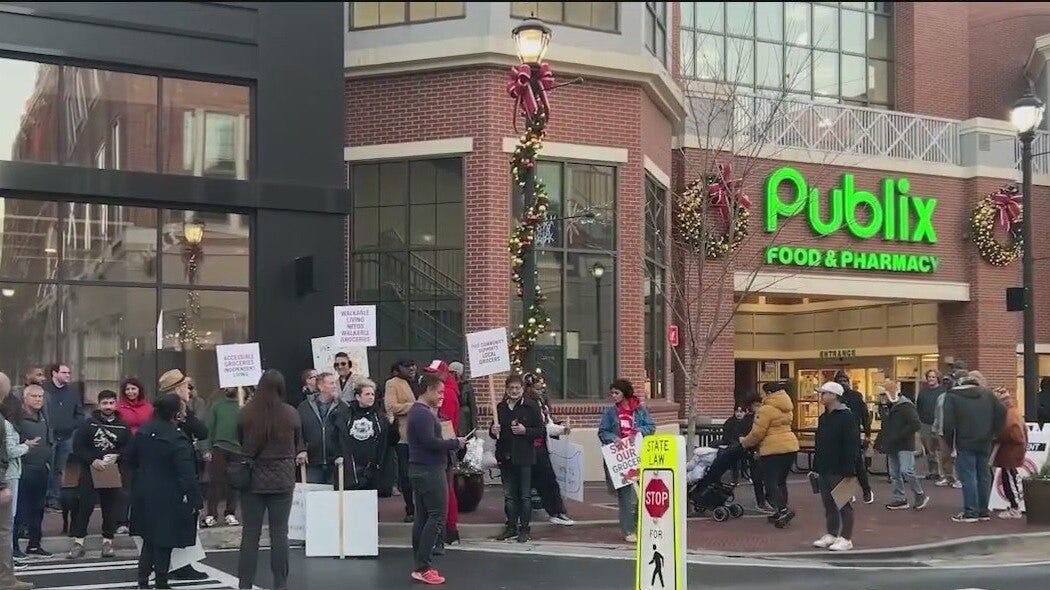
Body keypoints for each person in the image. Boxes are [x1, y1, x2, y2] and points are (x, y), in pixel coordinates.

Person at [237, 370, 306, 590]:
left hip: (253, 479)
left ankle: (245, 584)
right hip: (282, 477)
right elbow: (297, 443)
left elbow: (241, 442)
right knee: (279, 534)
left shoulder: (246, 412)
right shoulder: (290, 413)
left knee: (250, 534)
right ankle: (280, 583)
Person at [127, 394, 202, 590]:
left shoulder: (143, 431)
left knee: (149, 539)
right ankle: (161, 582)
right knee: (164, 540)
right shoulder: (176, 437)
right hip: (169, 494)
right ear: (175, 412)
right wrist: (195, 499)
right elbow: (187, 473)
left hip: (143, 491)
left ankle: (143, 582)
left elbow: (128, 459)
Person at [407, 373, 465, 585]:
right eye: (439, 392)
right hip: (429, 470)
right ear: (428, 390)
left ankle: (420, 564)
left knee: (422, 517)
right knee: (437, 516)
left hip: (420, 469)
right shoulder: (422, 414)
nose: (442, 396)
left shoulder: (419, 412)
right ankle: (423, 566)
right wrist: (454, 442)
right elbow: (430, 442)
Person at [156, 369, 210, 581]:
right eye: (186, 386)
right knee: (182, 519)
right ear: (177, 389)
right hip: (177, 471)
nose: (189, 390)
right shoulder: (176, 413)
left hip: (174, 470)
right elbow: (201, 430)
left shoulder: (176, 410)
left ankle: (179, 563)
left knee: (181, 520)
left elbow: (202, 432)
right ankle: (180, 565)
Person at [67, 389, 131, 559]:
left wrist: (117, 456)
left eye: (111, 403)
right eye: (105, 403)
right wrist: (92, 460)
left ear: (116, 403)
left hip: (112, 471)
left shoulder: (123, 425)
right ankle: (78, 542)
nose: (108, 406)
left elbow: (129, 448)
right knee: (85, 506)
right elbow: (78, 447)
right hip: (91, 470)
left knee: (110, 508)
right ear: (99, 404)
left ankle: (108, 542)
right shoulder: (88, 424)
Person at [942, 370, 1006, 523]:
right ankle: (983, 511)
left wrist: (950, 444)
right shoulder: (988, 394)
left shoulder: (952, 396)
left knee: (968, 476)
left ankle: (970, 511)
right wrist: (995, 432)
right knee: (983, 475)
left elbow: (948, 425)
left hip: (964, 441)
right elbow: (1002, 411)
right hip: (985, 441)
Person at [598, 379, 656, 543]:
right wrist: (614, 438)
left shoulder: (639, 410)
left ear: (625, 393)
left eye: (616, 393)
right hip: (620, 458)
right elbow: (603, 432)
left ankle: (639, 526)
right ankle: (628, 530)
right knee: (627, 496)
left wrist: (639, 431)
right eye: (612, 393)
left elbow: (651, 427)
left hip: (638, 455)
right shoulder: (610, 412)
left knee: (640, 494)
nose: (613, 396)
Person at [491, 375, 546, 543]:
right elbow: (495, 433)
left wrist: (525, 431)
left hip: (524, 456)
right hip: (506, 456)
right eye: (511, 388)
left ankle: (525, 528)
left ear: (522, 389)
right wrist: (493, 430)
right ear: (506, 390)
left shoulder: (531, 407)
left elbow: (541, 431)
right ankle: (511, 526)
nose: (514, 391)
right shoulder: (500, 407)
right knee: (509, 495)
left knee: (524, 495)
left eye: (517, 388)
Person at [740, 381, 799, 528]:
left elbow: (757, 433)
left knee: (770, 481)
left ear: (769, 393)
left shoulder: (765, 409)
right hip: (790, 446)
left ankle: (783, 509)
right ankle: (781, 510)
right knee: (781, 481)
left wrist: (744, 442)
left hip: (773, 449)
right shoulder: (787, 407)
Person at [811, 381, 860, 552]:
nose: (821, 397)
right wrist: (816, 466)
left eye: (824, 393)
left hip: (841, 468)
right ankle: (831, 533)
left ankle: (846, 538)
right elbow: (820, 443)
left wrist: (850, 469)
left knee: (843, 504)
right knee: (828, 504)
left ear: (834, 396)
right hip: (825, 467)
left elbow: (851, 445)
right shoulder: (824, 418)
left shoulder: (847, 417)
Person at [523, 373, 574, 526]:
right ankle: (518, 514)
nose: (541, 392)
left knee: (549, 481)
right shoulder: (524, 403)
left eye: (542, 389)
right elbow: (540, 427)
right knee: (525, 484)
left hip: (542, 448)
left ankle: (556, 511)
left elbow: (547, 423)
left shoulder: (542, 403)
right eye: (537, 389)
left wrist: (560, 428)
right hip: (526, 449)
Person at [873, 383, 929, 511]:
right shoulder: (886, 407)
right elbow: (885, 426)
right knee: (894, 473)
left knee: (906, 470)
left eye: (883, 395)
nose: (882, 398)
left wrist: (899, 435)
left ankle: (919, 494)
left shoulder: (906, 405)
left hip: (904, 444)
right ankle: (900, 498)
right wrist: (878, 442)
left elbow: (915, 424)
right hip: (892, 444)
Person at [423, 360, 461, 547]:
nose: (430, 375)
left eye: (434, 372)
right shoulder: (445, 391)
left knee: (445, 490)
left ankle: (449, 528)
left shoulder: (445, 394)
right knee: (444, 489)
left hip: (443, 446)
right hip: (444, 444)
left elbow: (443, 423)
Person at [0, 374, 36, 564]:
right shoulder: (6, 425)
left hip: (7, 473)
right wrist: (27, 446)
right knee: (8, 519)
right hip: (9, 474)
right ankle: (8, 557)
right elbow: (9, 451)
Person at [14, 385, 52, 557]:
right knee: (20, 510)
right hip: (23, 469)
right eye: (34, 396)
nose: (38, 399)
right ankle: (14, 547)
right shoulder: (17, 419)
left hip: (41, 469)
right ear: (25, 398)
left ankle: (35, 545)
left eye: (40, 396)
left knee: (38, 509)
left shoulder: (44, 416)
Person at [330, 380, 387, 490]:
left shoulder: (379, 416)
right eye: (367, 394)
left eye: (372, 394)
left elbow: (386, 441)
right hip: (350, 465)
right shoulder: (345, 414)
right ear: (358, 397)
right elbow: (336, 437)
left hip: (371, 466)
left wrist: (393, 425)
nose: (371, 397)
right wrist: (338, 455)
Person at [44, 363, 84, 510]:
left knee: (59, 469)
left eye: (69, 373)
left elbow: (79, 413)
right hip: (49, 436)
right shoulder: (45, 390)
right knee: (47, 467)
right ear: (54, 373)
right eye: (64, 372)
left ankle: (54, 498)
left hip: (66, 436)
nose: (68, 375)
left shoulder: (73, 391)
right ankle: (44, 498)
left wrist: (72, 425)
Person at [202, 388, 242, 528]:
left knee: (234, 483)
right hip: (219, 447)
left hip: (238, 449)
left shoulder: (244, 406)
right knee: (215, 482)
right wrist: (207, 448)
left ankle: (230, 513)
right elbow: (209, 428)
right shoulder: (217, 406)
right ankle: (211, 514)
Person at [833, 371, 874, 504]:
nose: (843, 383)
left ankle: (866, 490)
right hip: (839, 436)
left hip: (852, 435)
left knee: (857, 465)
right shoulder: (834, 397)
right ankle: (848, 493)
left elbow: (865, 415)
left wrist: (867, 434)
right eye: (840, 380)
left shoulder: (856, 396)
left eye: (845, 380)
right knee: (842, 466)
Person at [385, 359, 417, 523]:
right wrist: (414, 406)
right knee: (406, 473)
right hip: (404, 434)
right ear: (398, 369)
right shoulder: (393, 383)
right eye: (407, 366)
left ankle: (420, 506)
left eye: (413, 365)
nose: (411, 368)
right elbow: (390, 406)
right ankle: (410, 507)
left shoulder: (419, 382)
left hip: (421, 434)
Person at [297, 372, 343, 485]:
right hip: (312, 461)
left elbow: (345, 433)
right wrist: (301, 449)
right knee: (312, 497)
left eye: (335, 383)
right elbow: (298, 431)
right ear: (321, 387)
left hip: (336, 462)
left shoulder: (343, 407)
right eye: (331, 383)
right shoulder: (304, 407)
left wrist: (341, 453)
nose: (335, 386)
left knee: (335, 500)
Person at [992, 388, 1027, 519]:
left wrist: (998, 437)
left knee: (1010, 478)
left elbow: (1015, 433)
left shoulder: (1009, 414)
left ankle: (1015, 508)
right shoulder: (1013, 411)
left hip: (1010, 451)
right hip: (1012, 450)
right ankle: (1014, 506)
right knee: (1010, 477)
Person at [915, 370, 945, 480]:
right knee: (929, 449)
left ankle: (943, 473)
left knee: (940, 449)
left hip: (939, 425)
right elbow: (918, 407)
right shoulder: (923, 392)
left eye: (933, 377)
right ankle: (933, 471)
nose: (931, 379)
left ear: (938, 378)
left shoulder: (943, 392)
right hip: (925, 424)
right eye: (929, 377)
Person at [932, 379, 961, 489]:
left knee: (956, 456)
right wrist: (935, 427)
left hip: (955, 431)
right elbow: (936, 413)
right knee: (944, 455)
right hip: (942, 430)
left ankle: (958, 478)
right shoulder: (941, 397)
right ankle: (947, 476)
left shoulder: (958, 398)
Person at [448, 362, 477, 435]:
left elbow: (472, 406)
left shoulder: (466, 386)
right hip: (451, 415)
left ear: (457, 373)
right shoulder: (447, 385)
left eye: (452, 372)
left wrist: (474, 426)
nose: (449, 375)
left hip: (463, 418)